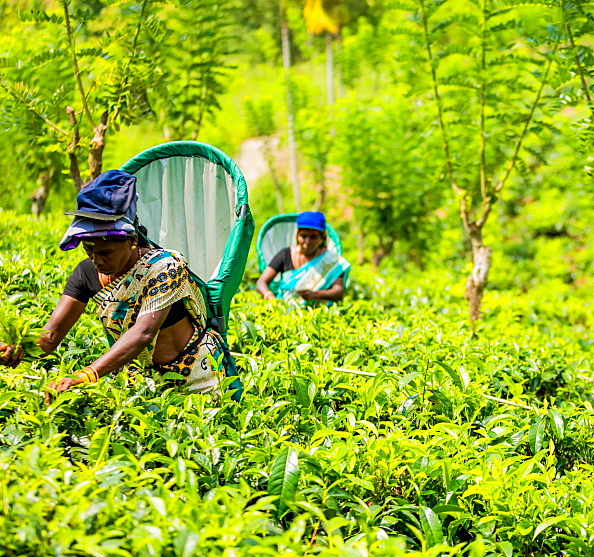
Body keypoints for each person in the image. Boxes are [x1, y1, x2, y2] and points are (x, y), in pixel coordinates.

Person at [0, 170, 240, 399]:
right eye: (89, 250)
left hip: (195, 378)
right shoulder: (86, 273)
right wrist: (17, 349)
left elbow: (143, 333)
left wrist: (84, 376)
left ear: (132, 241)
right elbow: (50, 335)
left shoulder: (165, 267)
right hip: (139, 382)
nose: (97, 261)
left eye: (106, 252)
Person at [255, 211, 349, 305]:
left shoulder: (331, 260)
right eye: (303, 236)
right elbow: (261, 282)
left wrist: (316, 294)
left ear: (322, 238)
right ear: (297, 235)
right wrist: (271, 298)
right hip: (284, 307)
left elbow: (338, 291)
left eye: (313, 237)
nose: (307, 242)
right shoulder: (285, 254)